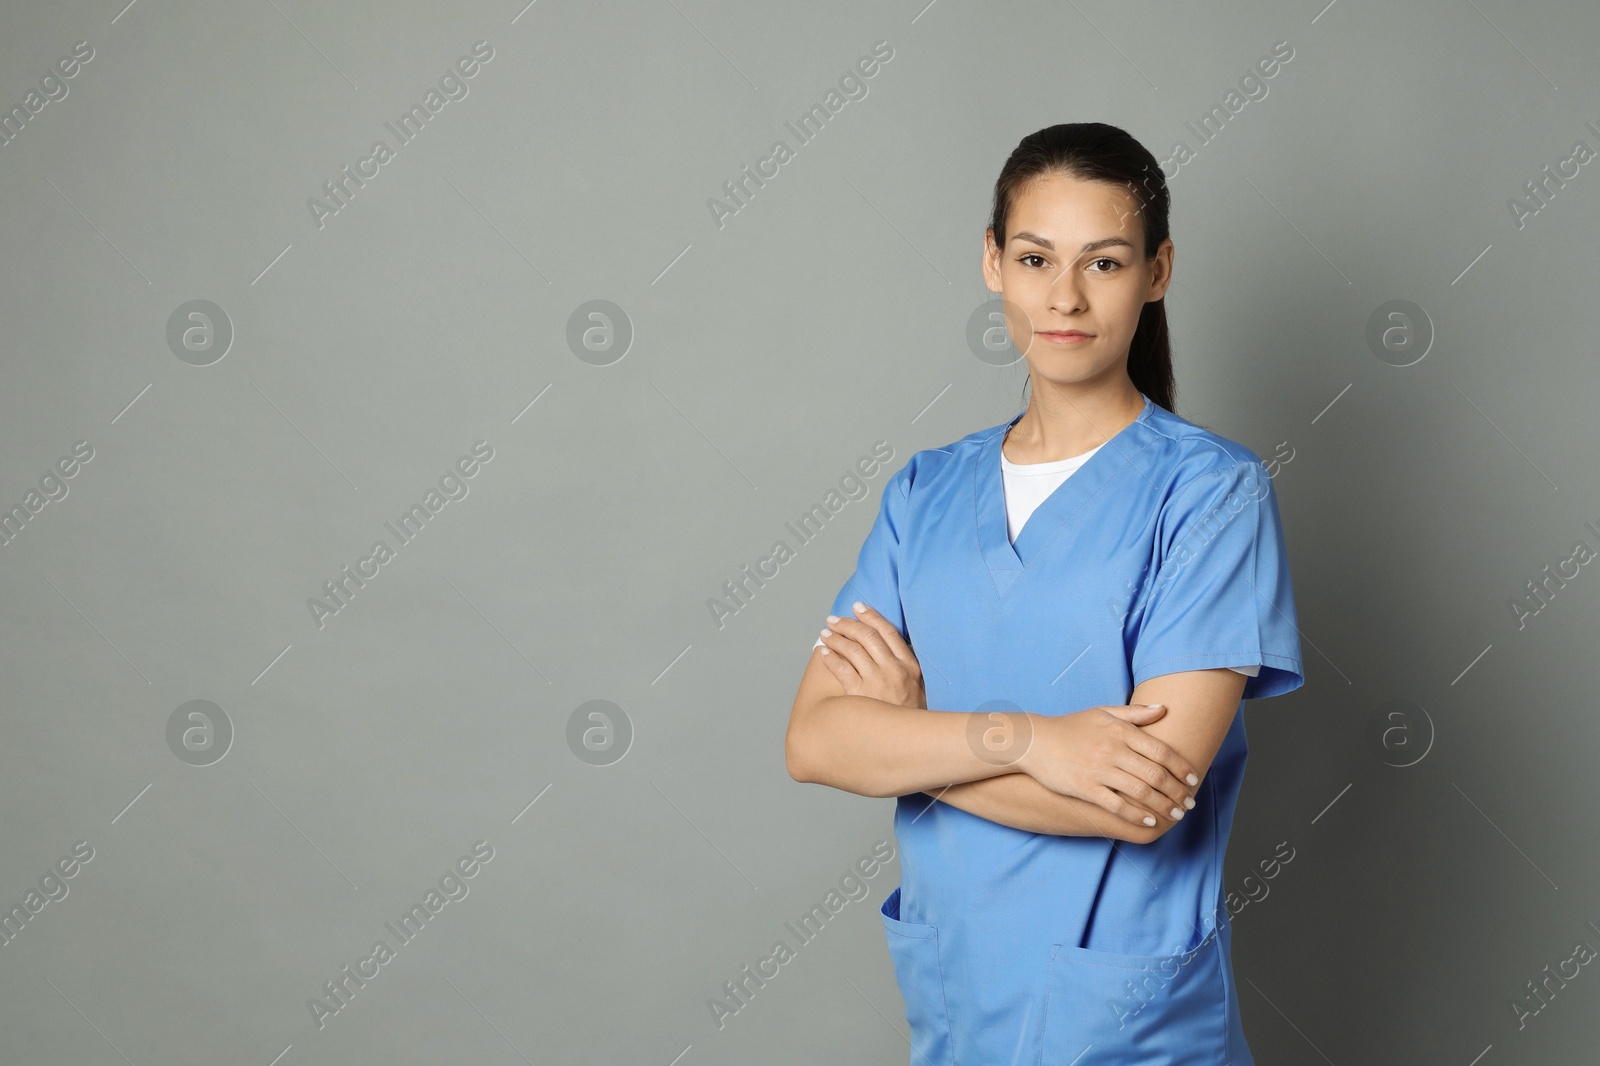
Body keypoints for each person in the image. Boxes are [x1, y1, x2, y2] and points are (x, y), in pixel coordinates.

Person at [785, 122, 1305, 1065]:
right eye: (1035, 258)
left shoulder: (1210, 493)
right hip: (961, 998)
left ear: (1158, 270)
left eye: (1104, 262)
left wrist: (914, 738)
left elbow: (1142, 803)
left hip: (1131, 1021)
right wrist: (1037, 742)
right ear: (994, 263)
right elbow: (816, 741)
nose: (1063, 297)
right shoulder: (924, 492)